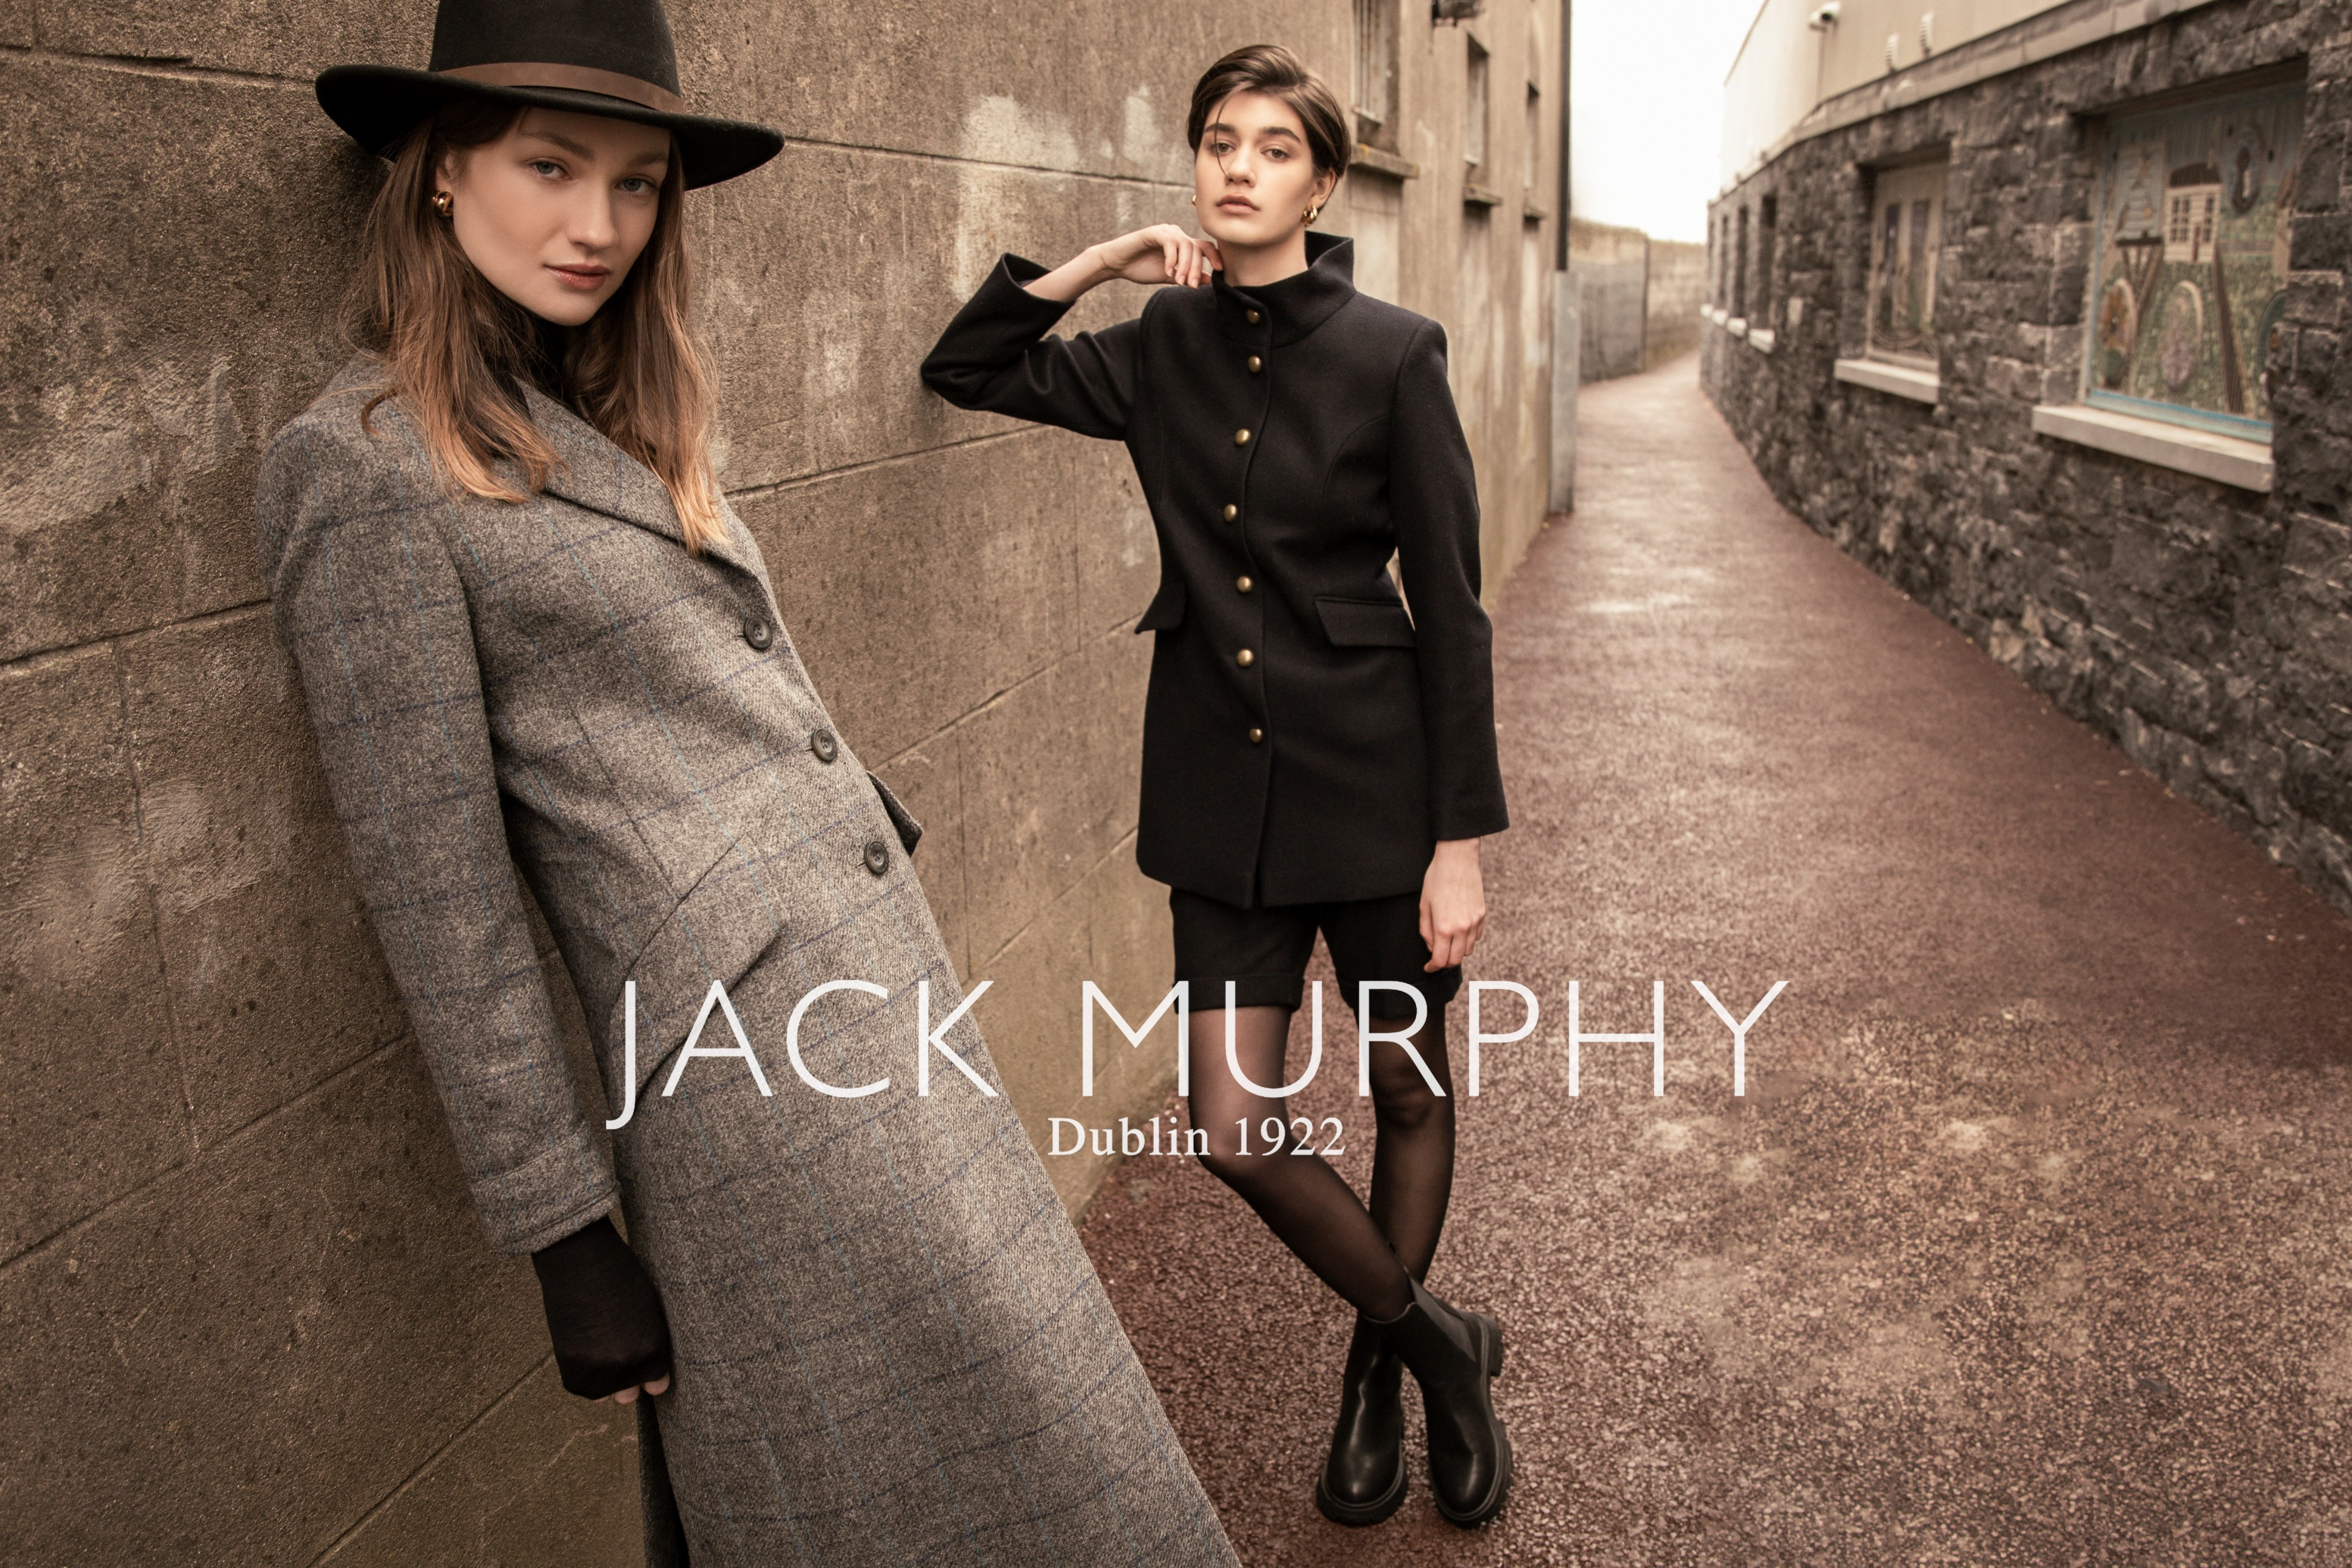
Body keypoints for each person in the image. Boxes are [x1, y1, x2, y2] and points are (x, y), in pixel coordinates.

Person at [259, 3, 1239, 1563]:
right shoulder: (363, 468)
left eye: (639, 183)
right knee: (909, 1462)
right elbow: (435, 894)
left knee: (975, 1444)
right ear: (439, 170)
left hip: (868, 991)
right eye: (550, 166)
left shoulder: (610, 399)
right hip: (737, 1077)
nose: (599, 224)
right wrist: (563, 1233)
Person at [923, 42, 1514, 1530]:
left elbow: (1453, 610)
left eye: (1270, 147)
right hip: (1220, 803)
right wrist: (1112, 259)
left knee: (1404, 1081)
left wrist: (1460, 841)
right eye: (1215, 144)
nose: (1236, 167)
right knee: (1234, 1125)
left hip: (1379, 795)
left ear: (1321, 182)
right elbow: (968, 365)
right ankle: (1438, 1345)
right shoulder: (1158, 344)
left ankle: (1374, 1381)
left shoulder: (1396, 351)